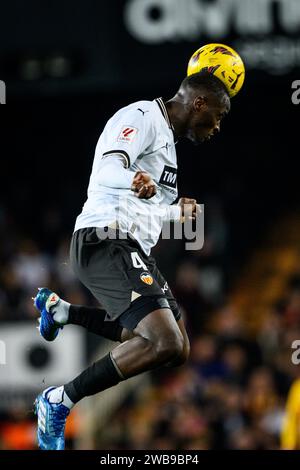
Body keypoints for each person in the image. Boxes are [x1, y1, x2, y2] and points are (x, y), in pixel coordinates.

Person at [33, 71, 230, 450]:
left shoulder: (169, 149)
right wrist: (133, 179)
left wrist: (174, 210)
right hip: (105, 237)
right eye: (218, 116)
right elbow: (109, 169)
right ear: (198, 103)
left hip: (129, 244)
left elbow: (147, 206)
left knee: (177, 346)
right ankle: (59, 400)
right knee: (164, 341)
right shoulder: (142, 116)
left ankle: (63, 313)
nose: (217, 126)